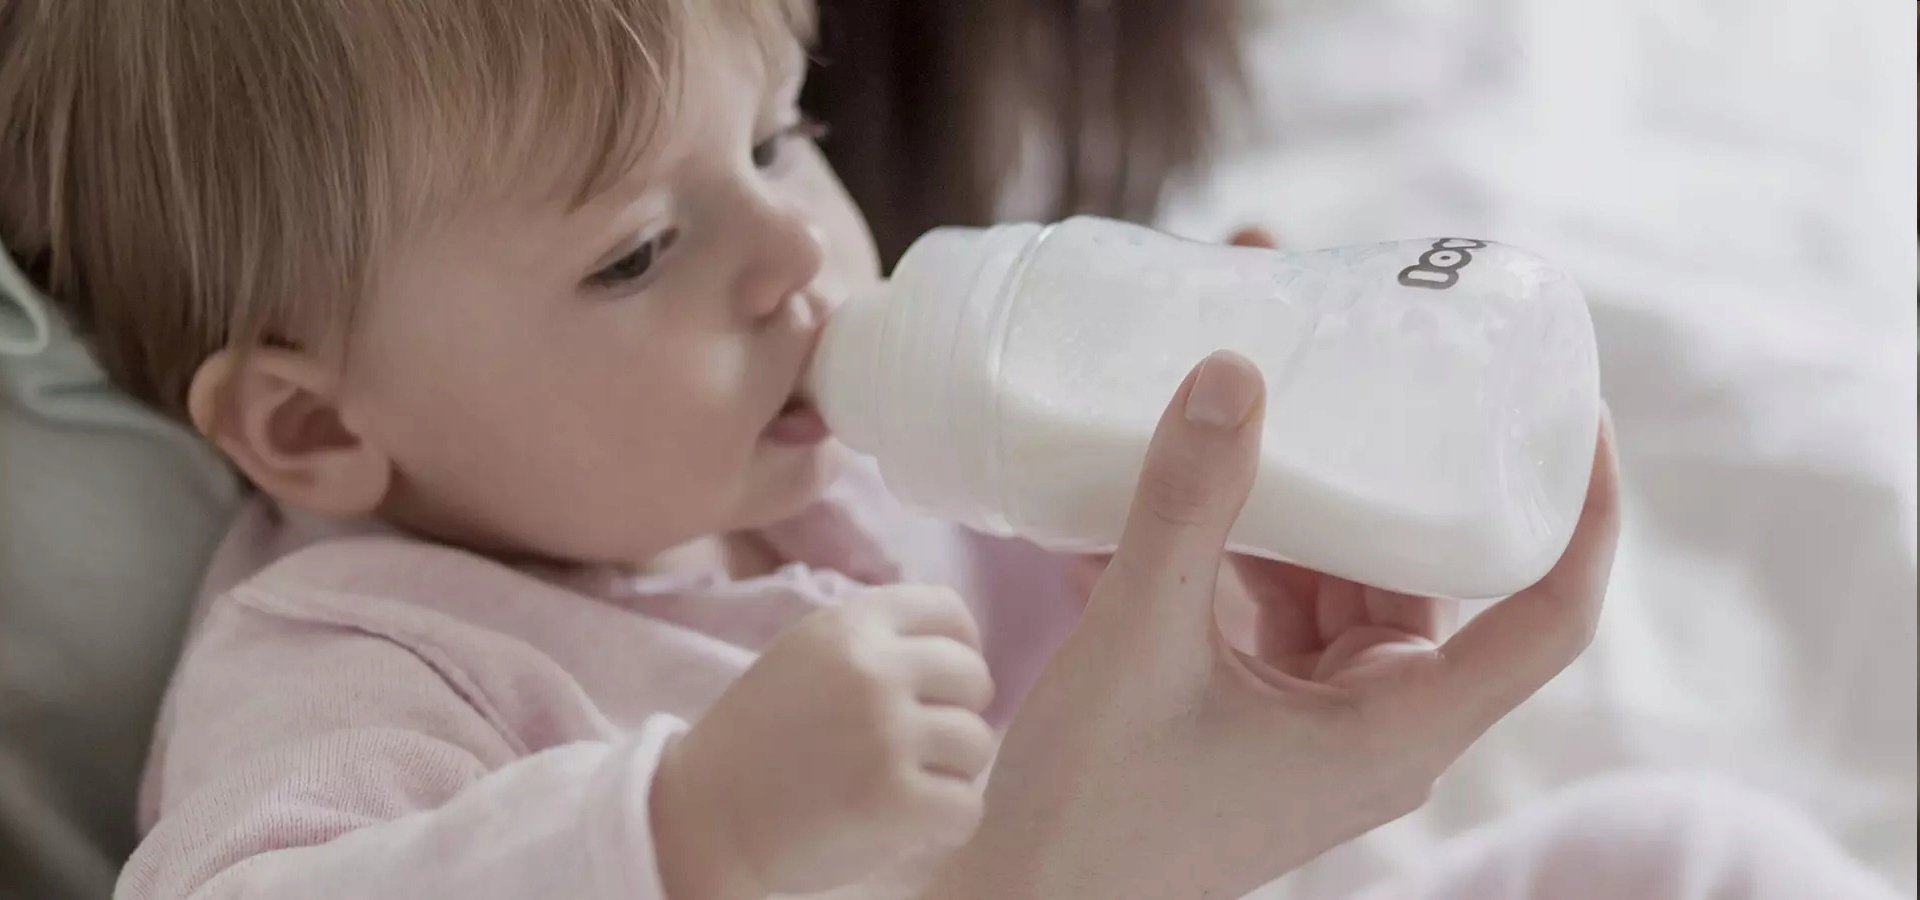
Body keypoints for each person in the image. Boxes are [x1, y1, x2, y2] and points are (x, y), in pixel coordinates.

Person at [0, 1, 1900, 898]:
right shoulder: (364, 660)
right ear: (319, 423)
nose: (793, 255)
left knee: (1690, 854)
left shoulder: (845, 461)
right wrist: (677, 835)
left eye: (778, 138)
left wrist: (1229, 582)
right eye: (638, 251)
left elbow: (1102, 726)